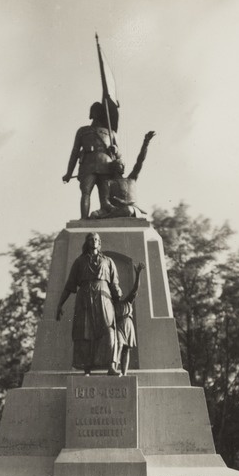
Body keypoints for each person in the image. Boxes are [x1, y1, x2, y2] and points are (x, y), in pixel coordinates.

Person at [55, 232, 122, 375]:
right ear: (87, 242)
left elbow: (115, 284)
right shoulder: (79, 261)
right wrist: (59, 304)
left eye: (96, 239)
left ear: (100, 242)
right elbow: (69, 285)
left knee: (109, 330)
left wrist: (119, 302)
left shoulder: (108, 261)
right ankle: (87, 368)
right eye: (91, 239)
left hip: (104, 296)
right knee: (84, 331)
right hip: (84, 297)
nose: (94, 241)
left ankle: (112, 366)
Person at [62, 103, 121, 219]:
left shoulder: (111, 133)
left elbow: (119, 154)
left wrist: (116, 150)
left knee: (105, 197)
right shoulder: (83, 131)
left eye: (99, 111)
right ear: (90, 114)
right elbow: (74, 153)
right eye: (94, 111)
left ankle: (104, 217)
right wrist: (69, 173)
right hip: (88, 165)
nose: (96, 114)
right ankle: (84, 218)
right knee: (86, 192)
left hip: (106, 165)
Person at [89, 130, 155, 219]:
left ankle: (106, 218)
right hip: (114, 210)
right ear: (113, 167)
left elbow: (140, 161)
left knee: (128, 210)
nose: (123, 167)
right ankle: (108, 216)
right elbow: (105, 202)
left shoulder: (131, 179)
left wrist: (146, 143)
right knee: (94, 214)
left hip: (131, 209)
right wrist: (114, 209)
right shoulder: (108, 183)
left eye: (123, 165)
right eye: (120, 165)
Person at [114, 262, 144, 375]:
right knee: (119, 344)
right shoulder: (111, 305)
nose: (117, 292)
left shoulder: (127, 302)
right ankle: (114, 369)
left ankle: (124, 373)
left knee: (127, 350)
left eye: (118, 291)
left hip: (128, 324)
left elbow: (135, 289)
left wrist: (138, 274)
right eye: (115, 291)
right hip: (118, 325)